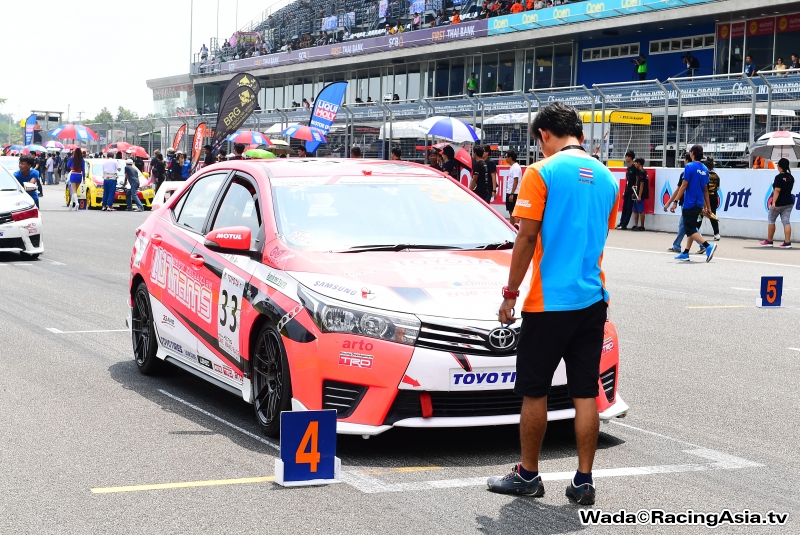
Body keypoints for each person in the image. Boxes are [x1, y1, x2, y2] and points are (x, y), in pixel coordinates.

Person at [487, 102, 619, 505]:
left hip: (548, 303)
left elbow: (526, 238)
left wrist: (509, 295)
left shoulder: (540, 172)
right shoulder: (607, 177)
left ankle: (528, 474)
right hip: (592, 298)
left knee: (534, 392)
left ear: (544, 134)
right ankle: (583, 481)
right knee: (584, 394)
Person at [663, 145, 717, 262]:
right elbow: (705, 190)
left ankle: (708, 246)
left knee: (690, 230)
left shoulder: (689, 167)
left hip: (689, 203)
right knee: (691, 227)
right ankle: (686, 252)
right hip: (699, 203)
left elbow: (684, 185)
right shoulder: (704, 169)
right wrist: (708, 207)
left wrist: (675, 202)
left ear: (692, 153)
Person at [760, 158, 794, 248]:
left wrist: (773, 202)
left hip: (779, 202)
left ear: (780, 166)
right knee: (786, 221)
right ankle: (787, 242)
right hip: (789, 202)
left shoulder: (778, 177)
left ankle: (769, 240)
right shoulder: (791, 177)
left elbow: (777, 190)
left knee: (771, 219)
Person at [668, 153, 694, 253]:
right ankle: (677, 245)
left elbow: (679, 189)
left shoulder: (684, 174)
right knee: (683, 225)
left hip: (686, 203)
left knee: (690, 226)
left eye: (684, 159)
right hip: (691, 202)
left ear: (687, 160)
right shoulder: (696, 172)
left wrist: (673, 202)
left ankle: (704, 244)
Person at [615, 150, 636, 230]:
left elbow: (636, 180)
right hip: (627, 190)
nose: (626, 158)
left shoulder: (634, 168)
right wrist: (624, 191)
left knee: (628, 207)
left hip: (632, 191)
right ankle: (621, 222)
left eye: (627, 157)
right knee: (624, 207)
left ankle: (624, 224)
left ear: (630, 158)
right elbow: (627, 180)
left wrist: (634, 191)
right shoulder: (628, 168)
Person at [701, 158, 721, 242]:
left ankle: (696, 232)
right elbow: (718, 188)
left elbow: (703, 188)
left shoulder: (704, 174)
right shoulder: (716, 176)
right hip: (714, 197)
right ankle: (716, 234)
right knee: (713, 215)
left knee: (700, 214)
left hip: (706, 197)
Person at [504, 149, 522, 225]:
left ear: (510, 158)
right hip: (511, 192)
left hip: (514, 193)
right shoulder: (513, 167)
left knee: (514, 212)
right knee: (511, 212)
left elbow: (516, 180)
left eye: (506, 157)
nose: (505, 158)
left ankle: (515, 228)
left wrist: (512, 193)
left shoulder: (516, 167)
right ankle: (512, 227)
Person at [631, 158, 648, 231]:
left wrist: (640, 195)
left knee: (641, 210)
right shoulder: (640, 172)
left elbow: (642, 184)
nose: (635, 164)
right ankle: (635, 224)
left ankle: (642, 226)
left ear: (639, 163)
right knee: (635, 210)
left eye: (636, 163)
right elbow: (639, 184)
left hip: (640, 194)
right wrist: (635, 190)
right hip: (637, 193)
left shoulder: (643, 172)